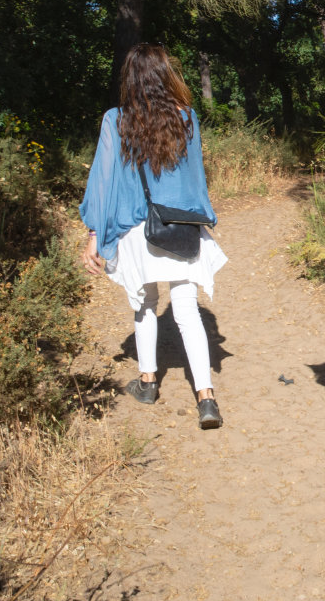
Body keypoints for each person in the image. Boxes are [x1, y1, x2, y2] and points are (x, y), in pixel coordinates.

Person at [80, 44, 229, 429]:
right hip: (179, 225)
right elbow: (195, 179)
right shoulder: (187, 118)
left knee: (145, 302)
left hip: (137, 229)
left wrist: (95, 233)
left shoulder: (116, 120)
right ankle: (206, 399)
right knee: (187, 309)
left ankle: (147, 383)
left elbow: (103, 182)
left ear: (130, 77)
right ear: (166, 75)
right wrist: (203, 219)